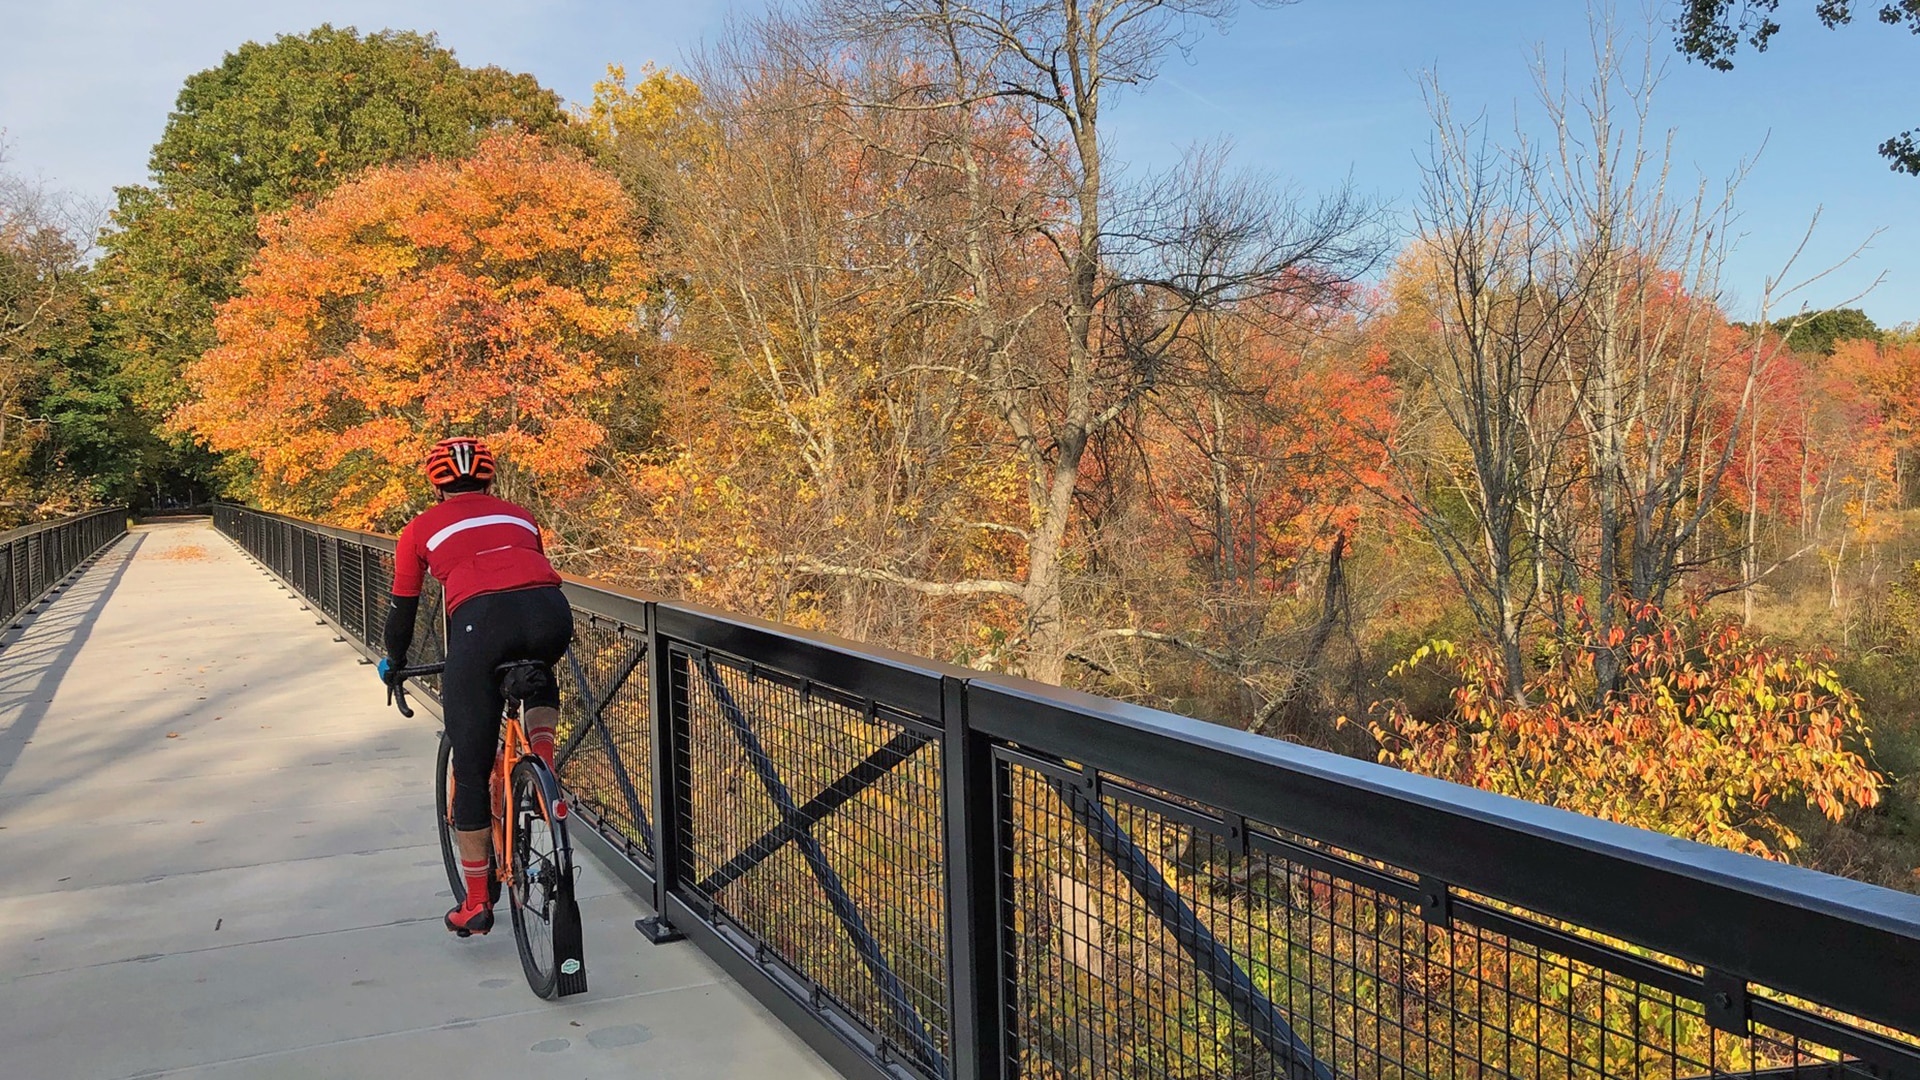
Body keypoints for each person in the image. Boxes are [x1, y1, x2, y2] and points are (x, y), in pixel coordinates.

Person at [379, 436, 572, 937]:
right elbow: (523, 576)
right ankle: (545, 760)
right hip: (551, 613)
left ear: (436, 483)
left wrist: (393, 662)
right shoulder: (521, 515)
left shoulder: (419, 529)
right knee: (538, 666)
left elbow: (404, 608)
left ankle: (477, 903)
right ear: (488, 478)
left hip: (479, 625)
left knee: (471, 769)